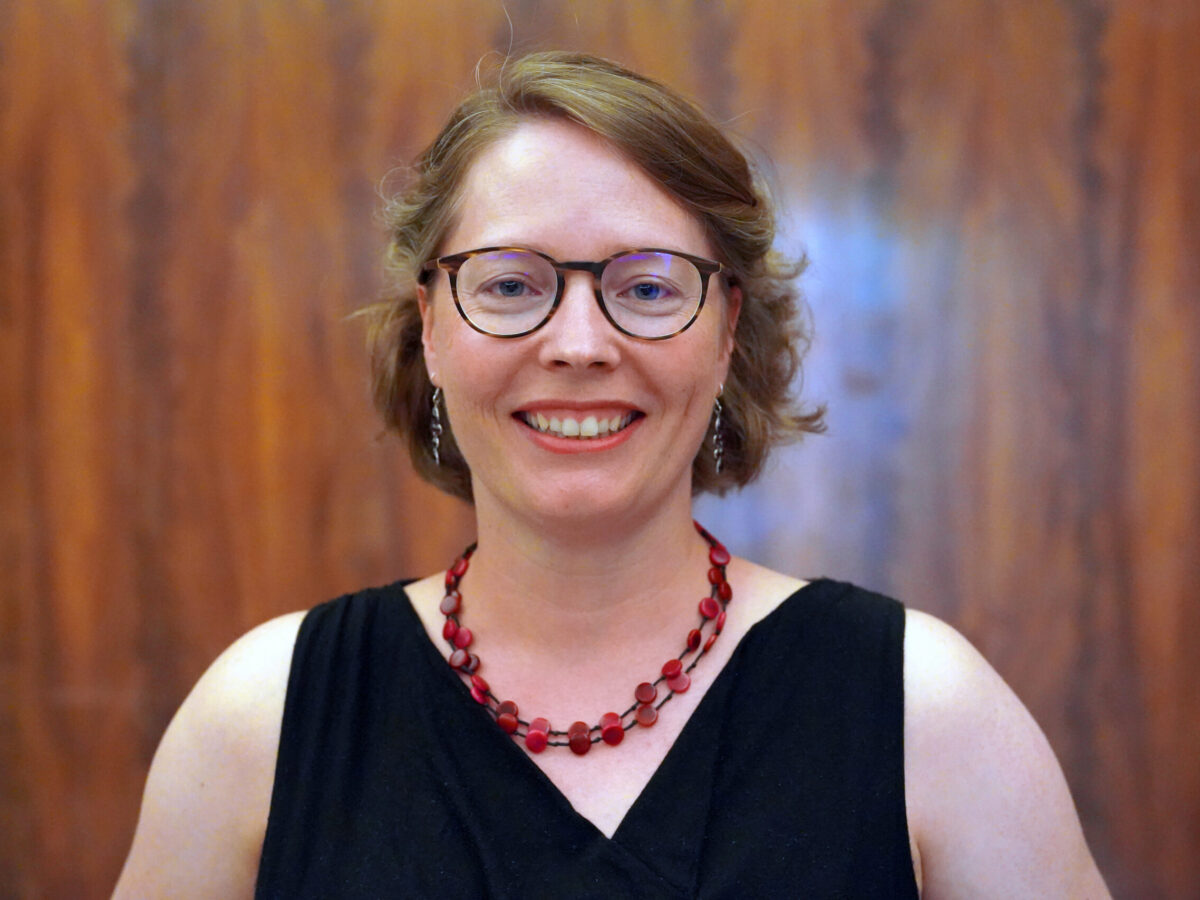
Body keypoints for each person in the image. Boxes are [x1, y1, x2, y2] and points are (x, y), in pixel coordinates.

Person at [114, 52, 1110, 898]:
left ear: (725, 334)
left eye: (645, 286)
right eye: (510, 284)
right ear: (431, 329)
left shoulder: (925, 711)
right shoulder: (261, 719)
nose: (580, 343)